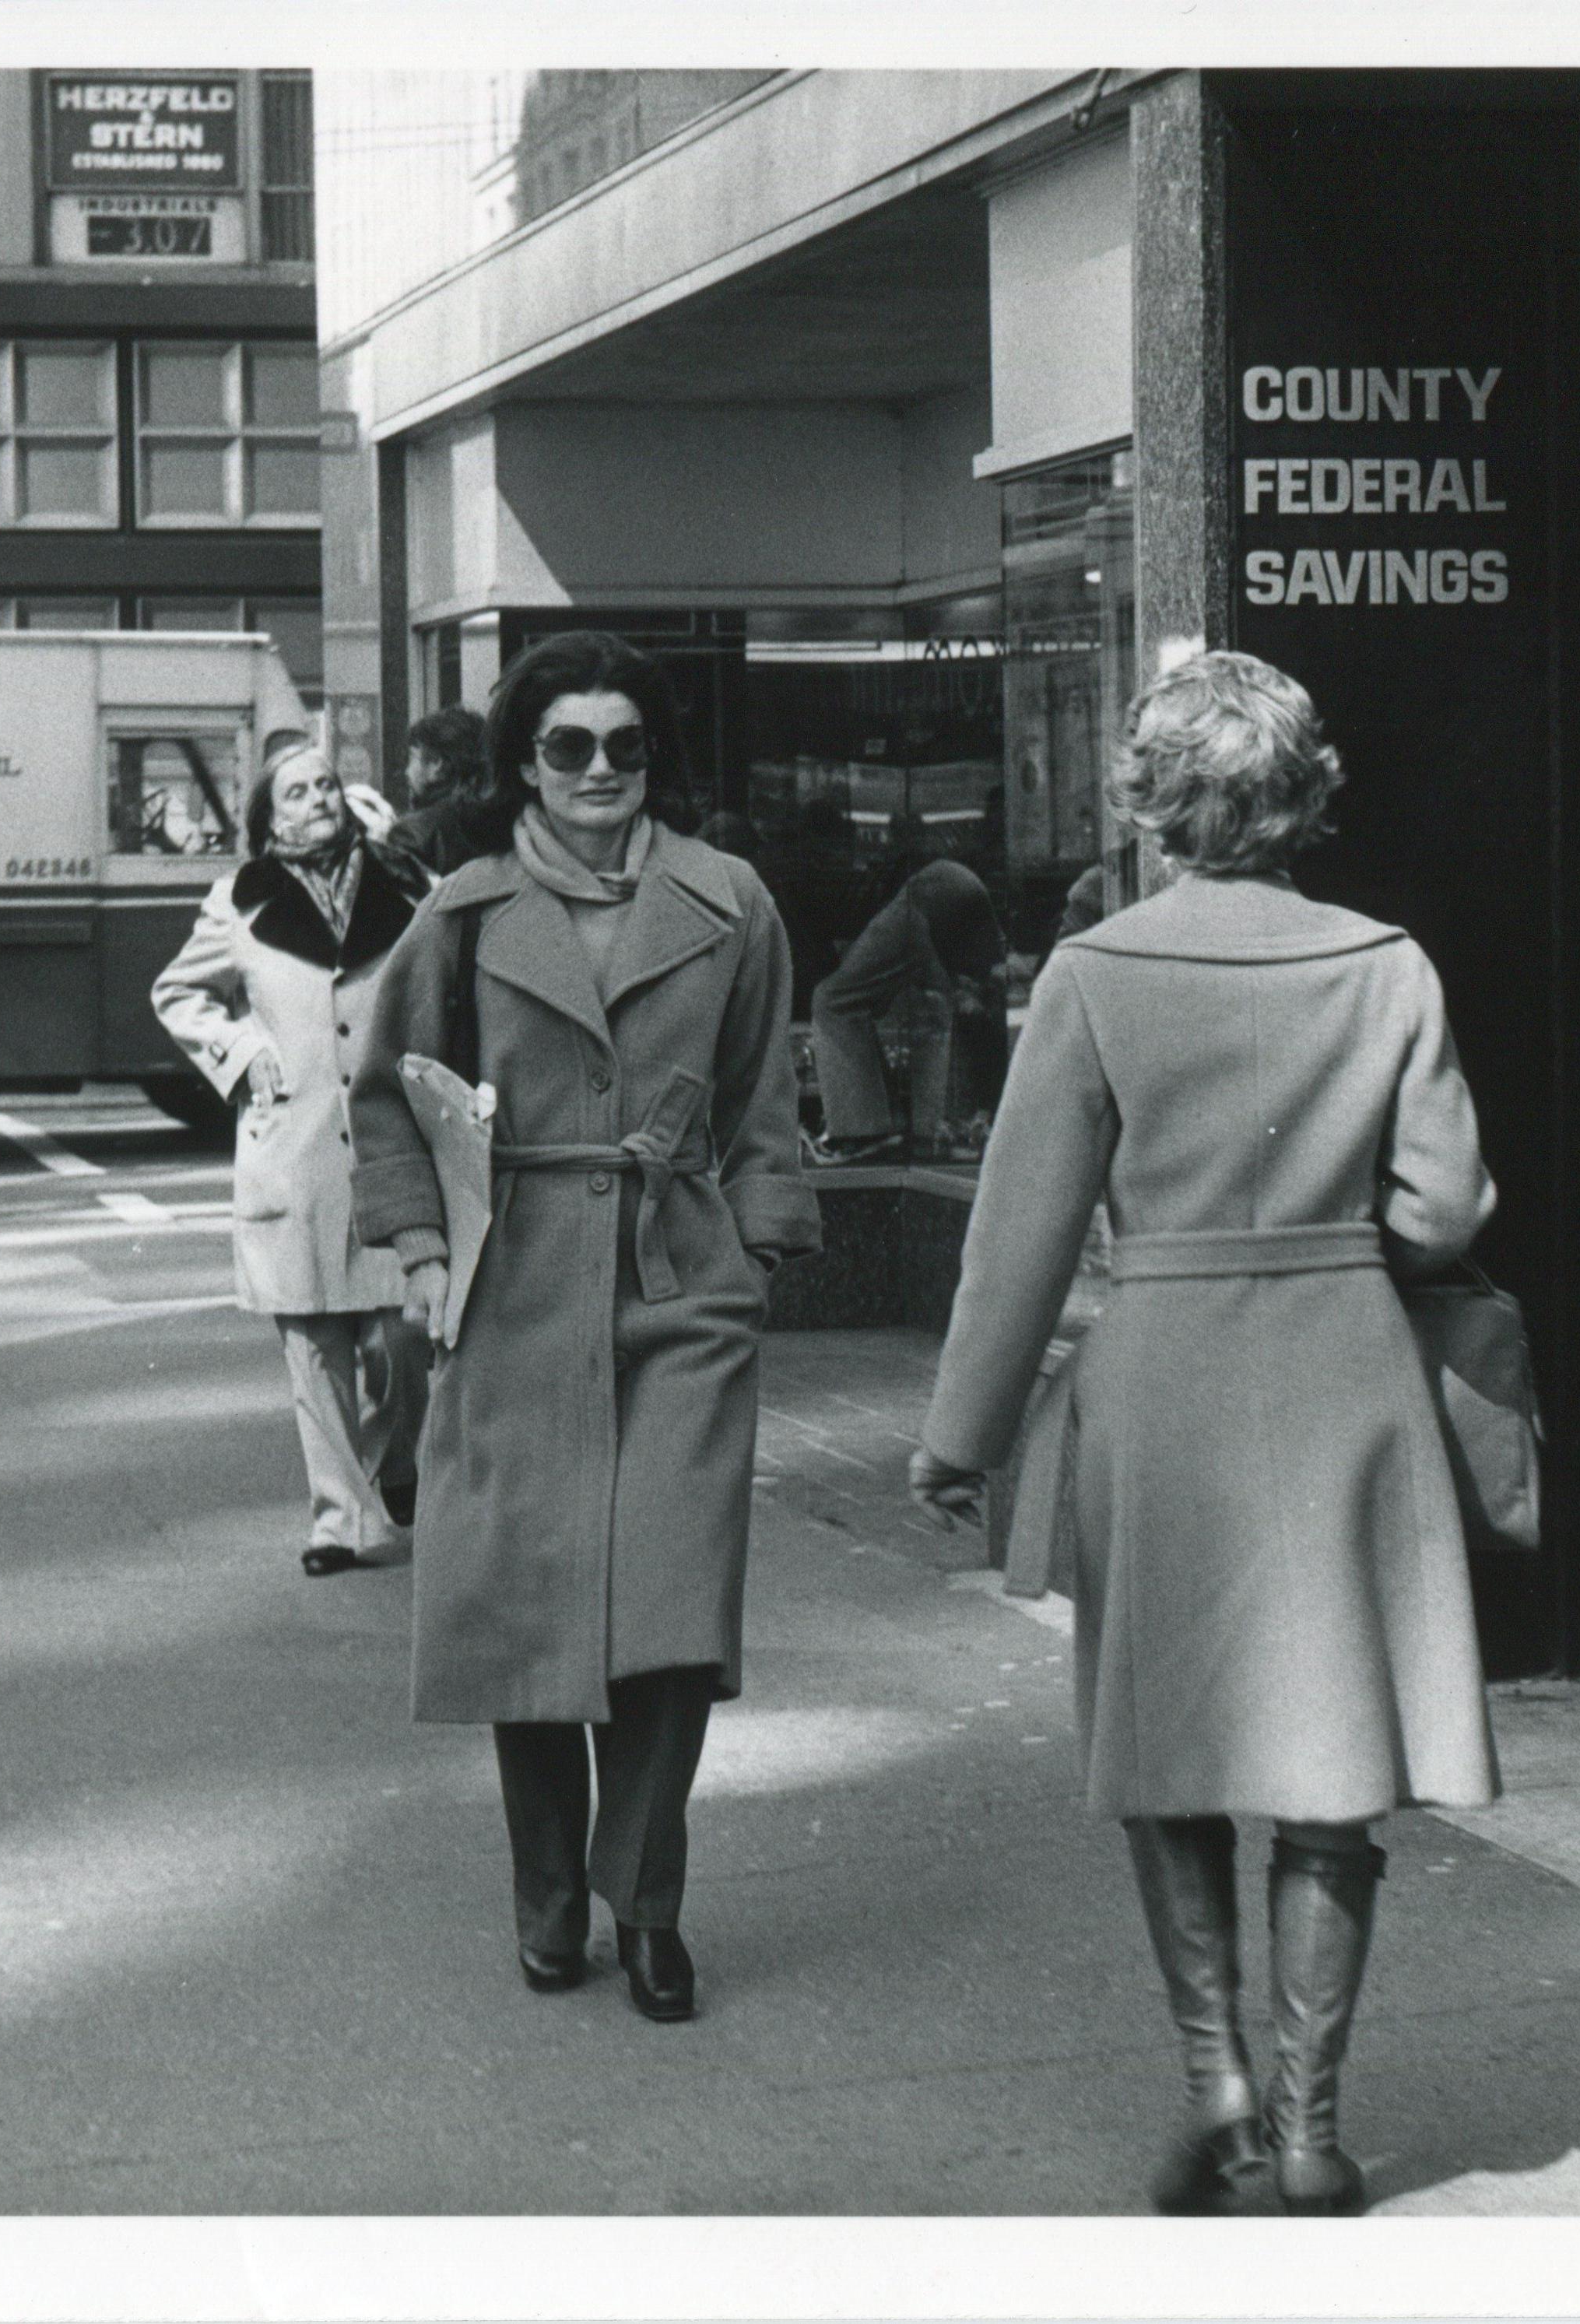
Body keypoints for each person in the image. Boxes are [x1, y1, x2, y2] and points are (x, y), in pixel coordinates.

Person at [908, 651, 1499, 2217]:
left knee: (1166, 1737)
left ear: (1149, 799)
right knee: (1331, 1759)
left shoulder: (1093, 972)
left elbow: (1017, 1240)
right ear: (1301, 794)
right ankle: (1311, 2132)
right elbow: (1441, 1212)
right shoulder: (1387, 963)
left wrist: (956, 1434)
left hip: (1160, 1375)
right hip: (1338, 1370)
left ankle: (1216, 2081)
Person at [350, 629, 820, 2024]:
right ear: (524, 766)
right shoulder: (465, 914)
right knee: (526, 1612)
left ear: (652, 756)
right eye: (568, 746)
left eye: (624, 744)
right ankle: (548, 1894)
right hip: (514, 1287)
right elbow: (386, 1094)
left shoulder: (730, 901)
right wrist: (427, 1256)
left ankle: (649, 1903)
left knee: (672, 1616)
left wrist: (759, 1251)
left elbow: (760, 1097)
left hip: (680, 1279)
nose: (599, 769)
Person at [153, 742, 438, 1575]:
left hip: (394, 1143)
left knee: (402, 1337)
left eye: (325, 785)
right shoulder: (237, 902)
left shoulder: (409, 887)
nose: (316, 799)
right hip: (294, 1145)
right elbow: (177, 992)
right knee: (312, 1344)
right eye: (296, 792)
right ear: (268, 818)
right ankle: (339, 1521)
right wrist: (240, 1052)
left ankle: (395, 1461)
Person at [806, 851, 1010, 1160]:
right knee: (976, 992)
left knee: (831, 1001)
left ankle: (864, 1128)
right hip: (954, 883)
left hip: (930, 894)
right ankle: (892, 1119)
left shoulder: (828, 882)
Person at [384, 705, 493, 876]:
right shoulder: (501, 821)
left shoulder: (412, 833)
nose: (407, 772)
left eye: (412, 758)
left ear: (436, 764)